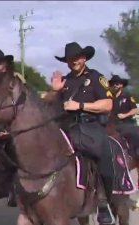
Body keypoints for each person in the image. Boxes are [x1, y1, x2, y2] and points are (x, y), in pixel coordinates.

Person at [51, 42, 115, 224]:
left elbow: (107, 105)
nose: (74, 62)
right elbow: (49, 104)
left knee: (100, 154)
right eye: (70, 59)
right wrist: (54, 91)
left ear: (84, 58)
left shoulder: (96, 77)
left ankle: (103, 202)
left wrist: (79, 105)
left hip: (91, 126)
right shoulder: (64, 81)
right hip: (66, 127)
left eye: (77, 58)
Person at [109, 74, 139, 157]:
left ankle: (135, 154)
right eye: (112, 84)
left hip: (126, 123)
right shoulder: (110, 99)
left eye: (117, 83)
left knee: (134, 133)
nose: (114, 85)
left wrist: (125, 115)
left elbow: (136, 110)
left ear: (121, 85)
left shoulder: (127, 97)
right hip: (113, 124)